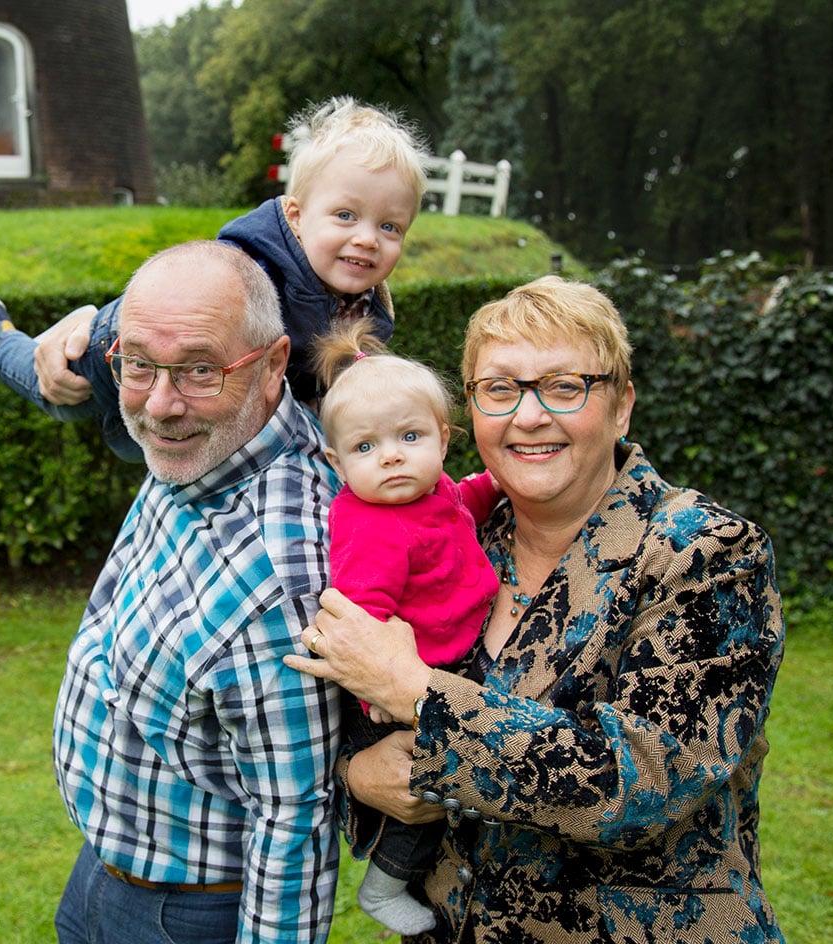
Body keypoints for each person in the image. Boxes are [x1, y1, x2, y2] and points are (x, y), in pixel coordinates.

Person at [285, 276, 787, 943]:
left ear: (622, 407)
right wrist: (358, 774)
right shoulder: (462, 539)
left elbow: (639, 782)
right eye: (500, 389)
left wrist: (415, 694)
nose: (528, 416)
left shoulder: (704, 552)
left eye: (565, 385)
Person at [51, 240, 345, 944]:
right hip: (103, 871)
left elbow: (294, 819)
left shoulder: (281, 577)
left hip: (181, 916)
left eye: (198, 371)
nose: (159, 405)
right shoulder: (209, 445)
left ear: (275, 364)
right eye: (138, 365)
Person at [0, 96, 429, 462]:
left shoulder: (368, 313)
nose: (367, 239)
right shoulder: (249, 268)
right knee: (61, 396)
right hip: (124, 350)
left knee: (144, 443)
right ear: (297, 216)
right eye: (345, 215)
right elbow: (180, 303)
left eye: (389, 227)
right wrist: (90, 321)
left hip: (188, 403)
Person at [310, 321, 500, 935]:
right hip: (405, 685)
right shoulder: (371, 526)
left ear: (443, 440)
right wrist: (383, 696)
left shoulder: (431, 491)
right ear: (337, 463)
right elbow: (362, 618)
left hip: (446, 660)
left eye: (409, 436)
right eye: (365, 448)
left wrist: (493, 485)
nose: (390, 455)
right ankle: (386, 884)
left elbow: (458, 505)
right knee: (428, 794)